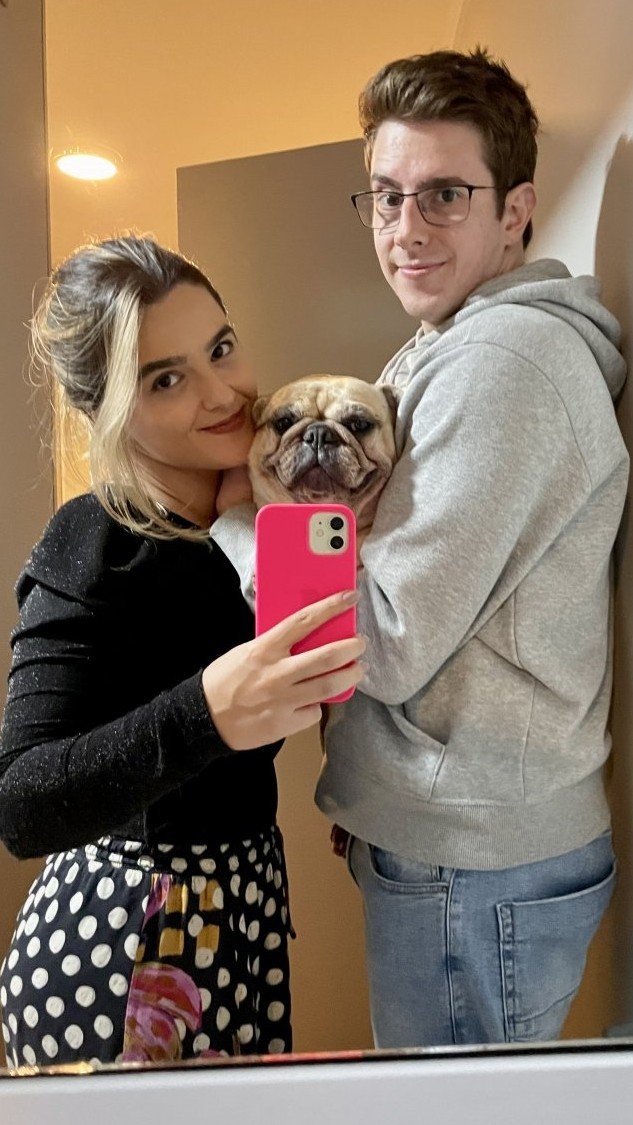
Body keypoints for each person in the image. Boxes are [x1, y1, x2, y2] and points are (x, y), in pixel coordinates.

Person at [211, 49, 629, 1047]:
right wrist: (375, 784)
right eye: (387, 196)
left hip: (473, 859)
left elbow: (388, 642)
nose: (405, 229)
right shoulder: (446, 345)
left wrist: (237, 521)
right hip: (461, 838)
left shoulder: (502, 364)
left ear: (516, 209)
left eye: (444, 194)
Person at [0, 235, 365, 1068]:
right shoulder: (93, 541)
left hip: (242, 919)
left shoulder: (269, 529)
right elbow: (20, 802)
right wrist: (206, 712)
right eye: (167, 379)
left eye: (221, 348)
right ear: (106, 411)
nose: (222, 393)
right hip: (118, 946)